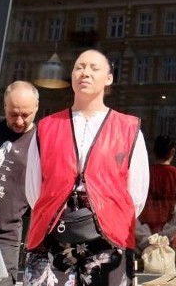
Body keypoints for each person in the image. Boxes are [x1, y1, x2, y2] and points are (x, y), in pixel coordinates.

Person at [24, 49, 150, 286]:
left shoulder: (129, 128)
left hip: (110, 238)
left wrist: (109, 216)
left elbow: (136, 195)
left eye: (94, 68)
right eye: (79, 67)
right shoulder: (46, 127)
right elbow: (33, 189)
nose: (85, 73)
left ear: (109, 78)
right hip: (51, 235)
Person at [0, 80, 40, 285]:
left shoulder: (41, 143)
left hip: (5, 236)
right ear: (4, 106)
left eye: (26, 114)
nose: (20, 121)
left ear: (36, 108)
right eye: (13, 114)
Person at [136, 135, 176, 252]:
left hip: (140, 237)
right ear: (172, 152)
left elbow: (132, 207)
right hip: (171, 241)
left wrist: (145, 238)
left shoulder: (142, 175)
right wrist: (164, 237)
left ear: (153, 151)